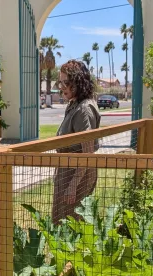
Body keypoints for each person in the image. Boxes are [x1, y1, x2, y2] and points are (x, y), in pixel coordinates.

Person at [52, 59, 101, 224]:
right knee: (60, 221)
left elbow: (87, 154)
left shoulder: (84, 110)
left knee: (71, 224)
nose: (62, 87)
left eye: (67, 82)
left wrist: (73, 185)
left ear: (78, 82)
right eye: (61, 82)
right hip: (67, 172)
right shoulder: (74, 105)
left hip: (77, 175)